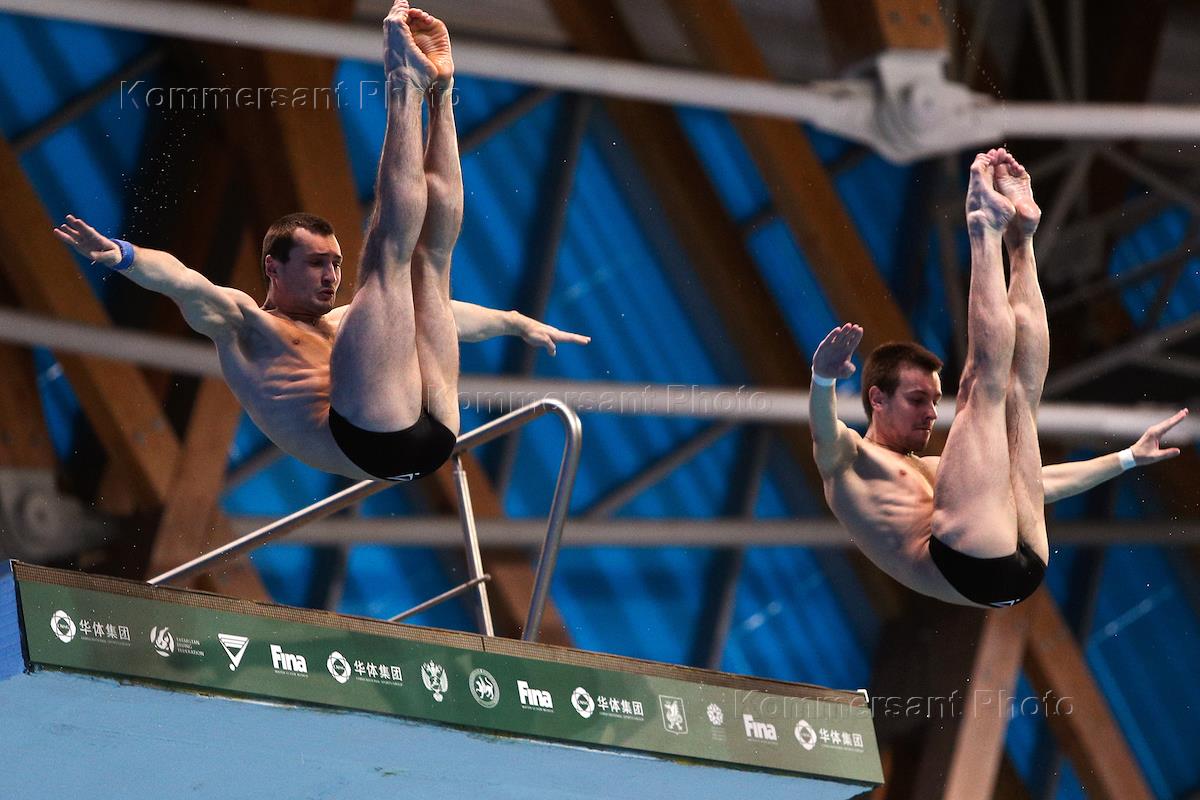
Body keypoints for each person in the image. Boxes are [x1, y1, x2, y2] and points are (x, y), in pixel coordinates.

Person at [53, 3, 588, 483]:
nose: (332, 275)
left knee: (431, 260)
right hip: (371, 442)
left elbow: (447, 317)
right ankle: (403, 82)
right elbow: (183, 281)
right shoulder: (245, 326)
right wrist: (123, 255)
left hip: (435, 432)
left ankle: (442, 93)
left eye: (334, 262)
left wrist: (514, 322)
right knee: (387, 257)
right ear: (273, 267)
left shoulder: (342, 325)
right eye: (316, 263)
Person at [810, 148, 1189, 608]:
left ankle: (1021, 241)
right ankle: (983, 229)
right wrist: (823, 379)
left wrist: (1127, 457)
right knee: (978, 388)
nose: (932, 412)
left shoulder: (932, 473)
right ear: (877, 398)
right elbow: (824, 435)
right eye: (917, 398)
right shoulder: (850, 461)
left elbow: (1042, 483)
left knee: (1019, 396)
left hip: (1019, 564)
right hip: (968, 565)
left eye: (933, 399)